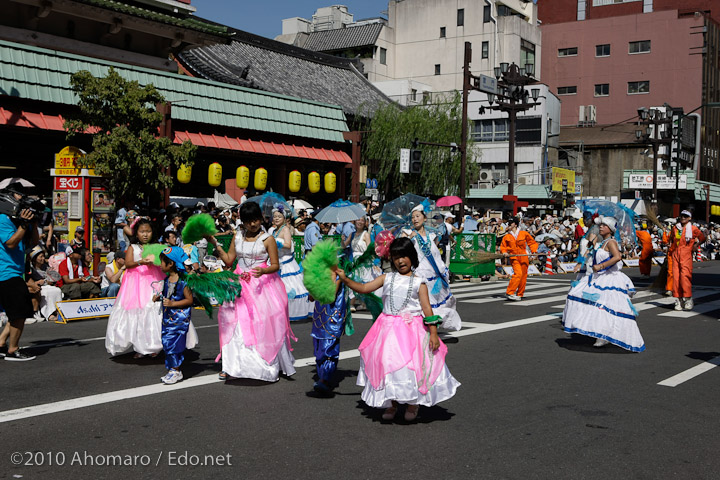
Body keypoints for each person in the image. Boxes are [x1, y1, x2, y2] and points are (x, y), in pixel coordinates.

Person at [336, 237, 460, 422]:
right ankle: (392, 403)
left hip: (411, 331)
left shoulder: (420, 283)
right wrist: (345, 279)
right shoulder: (386, 278)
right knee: (387, 366)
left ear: (412, 257)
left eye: (404, 256)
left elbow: (427, 309)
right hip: (386, 331)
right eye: (396, 257)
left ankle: (412, 403)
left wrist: (433, 333)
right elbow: (363, 288)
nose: (400, 261)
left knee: (410, 368)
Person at [208, 201, 296, 382]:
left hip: (261, 286)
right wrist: (215, 243)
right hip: (238, 283)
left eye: (255, 220)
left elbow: (275, 265)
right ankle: (231, 365)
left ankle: (263, 363)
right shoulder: (237, 236)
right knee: (233, 323)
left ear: (260, 219)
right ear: (243, 221)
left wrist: (263, 271)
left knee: (261, 324)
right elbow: (229, 260)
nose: (253, 224)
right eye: (248, 221)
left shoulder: (267, 239)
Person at [562, 216, 644, 351]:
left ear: (610, 229)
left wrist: (601, 266)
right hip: (599, 277)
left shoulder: (611, 242)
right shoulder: (603, 241)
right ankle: (598, 331)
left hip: (609, 278)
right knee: (586, 299)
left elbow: (618, 257)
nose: (600, 227)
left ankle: (604, 335)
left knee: (605, 306)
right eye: (600, 225)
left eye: (603, 225)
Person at [105, 218, 168, 358]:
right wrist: (141, 261)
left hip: (153, 281)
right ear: (137, 233)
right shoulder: (133, 247)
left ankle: (154, 345)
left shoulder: (157, 246)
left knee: (152, 311)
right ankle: (139, 347)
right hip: (135, 283)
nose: (145, 234)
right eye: (142, 231)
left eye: (148, 231)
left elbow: (164, 262)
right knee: (136, 313)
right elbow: (128, 264)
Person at [403, 206, 461, 331]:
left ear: (424, 218)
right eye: (412, 217)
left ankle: (430, 328)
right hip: (418, 275)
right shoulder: (407, 233)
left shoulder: (431, 235)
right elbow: (402, 251)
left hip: (433, 275)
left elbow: (435, 255)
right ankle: (420, 329)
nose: (415, 219)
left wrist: (442, 270)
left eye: (417, 216)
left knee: (434, 302)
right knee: (419, 304)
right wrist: (409, 240)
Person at [0, 182, 39, 361]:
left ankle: (1, 344)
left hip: (15, 272)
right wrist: (23, 225)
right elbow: (10, 243)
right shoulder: (3, 219)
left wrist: (33, 222)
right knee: (20, 312)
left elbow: (33, 243)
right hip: (5, 272)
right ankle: (12, 350)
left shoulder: (17, 220)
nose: (21, 200)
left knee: (16, 312)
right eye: (18, 196)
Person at [154, 247, 194, 385]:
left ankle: (176, 370)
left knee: (174, 343)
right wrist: (159, 297)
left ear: (170, 263)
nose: (160, 265)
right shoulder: (166, 280)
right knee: (166, 341)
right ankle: (172, 369)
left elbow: (189, 300)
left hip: (179, 318)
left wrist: (173, 303)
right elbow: (167, 295)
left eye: (162, 262)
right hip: (167, 318)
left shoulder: (183, 281)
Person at [268, 207, 313, 321]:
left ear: (284, 218)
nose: (277, 218)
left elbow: (288, 245)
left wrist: (277, 243)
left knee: (290, 287)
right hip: (276, 261)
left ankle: (289, 312)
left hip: (287, 263)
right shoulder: (273, 231)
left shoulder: (286, 229)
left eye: (279, 216)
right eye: (275, 216)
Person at [310, 272, 347, 395]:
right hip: (320, 313)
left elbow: (331, 294)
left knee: (329, 345)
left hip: (333, 312)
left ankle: (325, 378)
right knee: (319, 344)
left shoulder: (339, 273)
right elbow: (312, 296)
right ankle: (322, 375)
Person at [669, 210, 705, 311]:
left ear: (689, 218)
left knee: (685, 277)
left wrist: (696, 245)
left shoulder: (693, 229)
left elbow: (702, 238)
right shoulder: (675, 228)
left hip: (686, 254)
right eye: (682, 216)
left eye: (686, 216)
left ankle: (688, 298)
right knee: (676, 278)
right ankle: (678, 299)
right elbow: (672, 240)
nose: (683, 218)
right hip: (676, 254)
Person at [500, 217, 538, 301]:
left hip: (524, 256)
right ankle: (510, 292)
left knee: (523, 276)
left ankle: (520, 294)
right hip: (514, 257)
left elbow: (532, 242)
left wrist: (534, 251)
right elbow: (503, 247)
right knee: (518, 274)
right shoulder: (506, 236)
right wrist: (504, 252)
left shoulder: (523, 233)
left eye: (511, 223)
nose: (509, 224)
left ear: (515, 224)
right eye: (508, 223)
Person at [27, 245, 61, 322]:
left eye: (43, 256)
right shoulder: (31, 268)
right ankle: (49, 314)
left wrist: (52, 273)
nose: (43, 258)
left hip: (47, 285)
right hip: (39, 287)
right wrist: (37, 282)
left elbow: (57, 277)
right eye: (41, 257)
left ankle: (58, 311)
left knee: (57, 290)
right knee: (46, 292)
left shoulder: (45, 267)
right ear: (35, 258)